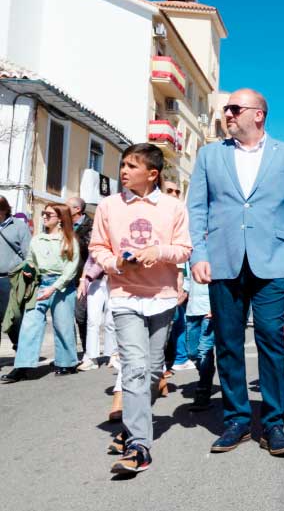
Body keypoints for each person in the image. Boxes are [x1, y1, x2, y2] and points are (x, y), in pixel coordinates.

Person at [188, 88, 284, 457]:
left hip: (273, 260)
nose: (227, 113)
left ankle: (274, 423)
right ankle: (237, 420)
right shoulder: (210, 155)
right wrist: (198, 253)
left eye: (234, 108)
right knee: (227, 342)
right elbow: (196, 208)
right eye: (226, 108)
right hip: (223, 260)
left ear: (258, 114)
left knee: (271, 338)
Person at [87, 143, 191, 474]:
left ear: (152, 174)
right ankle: (139, 446)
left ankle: (132, 424)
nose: (124, 171)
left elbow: (184, 249)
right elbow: (98, 247)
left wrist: (158, 252)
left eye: (132, 166)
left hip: (162, 295)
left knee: (154, 370)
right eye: (123, 165)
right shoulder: (108, 206)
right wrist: (115, 262)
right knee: (133, 366)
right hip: (124, 295)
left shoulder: (173, 207)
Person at [1, 203, 80, 382]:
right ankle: (22, 366)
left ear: (60, 219)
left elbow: (71, 270)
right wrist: (30, 269)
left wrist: (53, 288)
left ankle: (66, 363)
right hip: (40, 284)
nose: (44, 216)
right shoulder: (37, 239)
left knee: (63, 325)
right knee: (30, 323)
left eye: (48, 214)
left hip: (63, 286)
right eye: (43, 213)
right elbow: (30, 260)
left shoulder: (69, 241)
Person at [163, 180, 192, 375]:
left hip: (178, 280)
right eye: (169, 190)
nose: (174, 194)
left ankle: (175, 359)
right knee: (165, 325)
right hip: (160, 281)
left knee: (177, 322)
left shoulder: (182, 218)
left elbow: (184, 256)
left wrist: (184, 285)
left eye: (177, 191)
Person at [183, 260, 215, 411]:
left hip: (209, 310)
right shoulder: (193, 255)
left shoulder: (216, 252)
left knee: (204, 352)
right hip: (192, 310)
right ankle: (207, 371)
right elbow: (186, 281)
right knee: (192, 352)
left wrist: (215, 306)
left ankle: (203, 392)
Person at [0, 196, 31, 348]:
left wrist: (26, 271)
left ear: (4, 210)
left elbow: (28, 253)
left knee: (12, 317)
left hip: (10, 279)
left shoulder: (19, 226)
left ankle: (20, 347)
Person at [66, 197, 93, 356]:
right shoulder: (63, 225)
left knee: (81, 316)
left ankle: (87, 351)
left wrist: (72, 237)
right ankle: (68, 354)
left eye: (66, 206)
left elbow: (90, 252)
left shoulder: (90, 226)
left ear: (77, 209)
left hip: (83, 278)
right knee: (65, 318)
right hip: (65, 278)